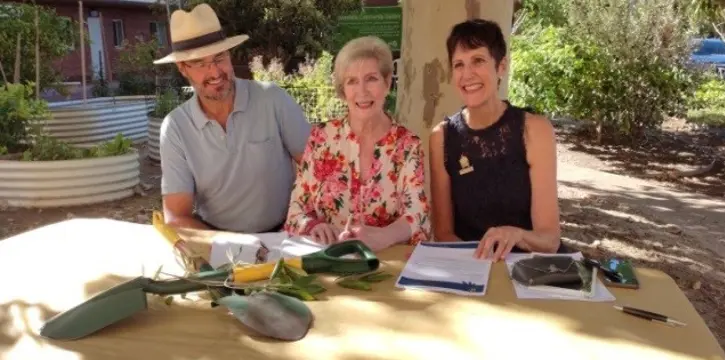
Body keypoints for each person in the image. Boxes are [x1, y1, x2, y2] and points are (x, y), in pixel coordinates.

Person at [152, 4, 311, 233]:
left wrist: (309, 218)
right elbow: (177, 216)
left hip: (284, 236)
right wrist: (232, 248)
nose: (215, 72)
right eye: (200, 63)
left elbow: (318, 168)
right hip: (217, 241)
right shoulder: (176, 127)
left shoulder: (272, 99)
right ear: (182, 68)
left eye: (219, 58)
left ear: (229, 54)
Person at [429, 19, 563, 260]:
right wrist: (480, 268)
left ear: (501, 67)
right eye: (459, 64)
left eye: (478, 61)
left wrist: (516, 235)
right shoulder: (441, 137)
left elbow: (550, 240)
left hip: (528, 269)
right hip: (470, 269)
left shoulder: (534, 130)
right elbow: (443, 234)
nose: (467, 74)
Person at [283, 36, 430, 252]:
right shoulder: (321, 138)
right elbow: (296, 210)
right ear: (343, 90)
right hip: (328, 260)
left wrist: (383, 236)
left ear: (387, 83)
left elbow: (418, 216)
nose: (362, 91)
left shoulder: (408, 145)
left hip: (384, 265)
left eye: (371, 78)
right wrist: (313, 225)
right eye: (352, 81)